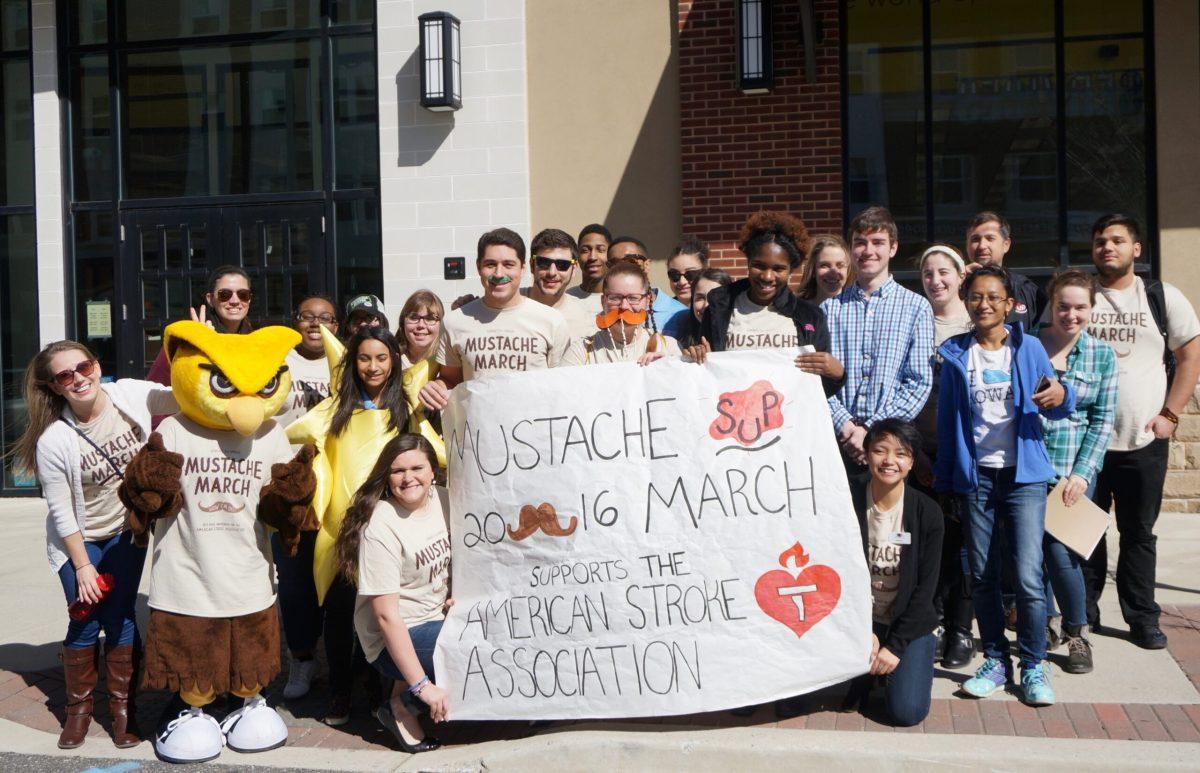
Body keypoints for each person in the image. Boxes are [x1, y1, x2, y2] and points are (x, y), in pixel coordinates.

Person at [13, 341, 176, 749]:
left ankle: (124, 710)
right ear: (54, 386)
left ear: (96, 365)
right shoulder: (54, 440)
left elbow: (180, 397)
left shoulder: (129, 395)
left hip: (126, 532)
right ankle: (79, 711)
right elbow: (61, 510)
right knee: (84, 617)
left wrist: (193, 349)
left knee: (120, 615)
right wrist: (82, 565)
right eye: (64, 375)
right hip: (78, 542)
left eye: (82, 367)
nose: (78, 378)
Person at [934, 265, 1073, 707]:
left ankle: (1033, 663)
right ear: (966, 301)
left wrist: (1061, 395)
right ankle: (995, 660)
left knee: (1029, 575)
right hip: (978, 480)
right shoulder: (953, 352)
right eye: (976, 296)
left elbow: (1056, 396)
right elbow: (947, 420)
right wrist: (948, 477)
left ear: (1011, 303)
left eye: (994, 296)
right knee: (983, 575)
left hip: (1023, 477)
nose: (985, 304)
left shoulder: (1028, 347)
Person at [1083, 214, 1200, 649]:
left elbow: (1190, 355)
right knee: (1084, 533)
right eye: (1099, 241)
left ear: (1137, 249)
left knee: (1138, 534)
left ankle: (1142, 618)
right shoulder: (1079, 295)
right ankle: (1083, 616)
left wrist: (1170, 414)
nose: (1106, 247)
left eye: (1116, 240)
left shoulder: (1160, 296)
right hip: (1085, 444)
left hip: (1142, 441)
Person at [313, 327, 411, 726]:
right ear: (352, 363)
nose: (373, 367)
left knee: (379, 611)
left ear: (394, 361)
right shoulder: (333, 409)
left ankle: (375, 686)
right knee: (338, 616)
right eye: (365, 358)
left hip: (387, 530)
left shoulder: (408, 407)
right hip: (340, 531)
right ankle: (339, 690)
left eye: (382, 358)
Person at [335, 434, 451, 753]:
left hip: (437, 617)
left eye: (417, 467)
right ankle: (403, 704)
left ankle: (403, 693)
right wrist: (422, 687)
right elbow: (386, 617)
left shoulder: (446, 500)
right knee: (468, 646)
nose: (408, 477)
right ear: (387, 477)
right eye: (398, 471)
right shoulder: (380, 527)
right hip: (392, 638)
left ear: (432, 471)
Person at [1037, 269, 1117, 675]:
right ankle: (1047, 624)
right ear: (1052, 303)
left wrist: (1083, 473)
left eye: (1080, 307)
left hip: (1074, 472)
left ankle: (1076, 632)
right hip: (1032, 469)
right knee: (1032, 555)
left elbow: (1103, 420)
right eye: (1063, 306)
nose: (1071, 314)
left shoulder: (1102, 356)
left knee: (1061, 553)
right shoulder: (1029, 346)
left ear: (1091, 309)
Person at [842, 419, 944, 727]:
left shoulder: (927, 512)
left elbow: (926, 591)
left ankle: (888, 668)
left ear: (912, 461)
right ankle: (868, 673)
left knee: (907, 712)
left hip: (908, 622)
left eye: (900, 453)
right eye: (880, 451)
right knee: (841, 699)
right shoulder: (846, 498)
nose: (889, 461)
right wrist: (862, 630)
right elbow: (837, 573)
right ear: (867, 453)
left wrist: (895, 646)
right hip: (859, 620)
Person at [822, 207, 935, 472]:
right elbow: (817, 380)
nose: (868, 250)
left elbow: (918, 382)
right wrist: (847, 427)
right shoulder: (830, 309)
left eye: (878, 243)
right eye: (860, 243)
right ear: (851, 250)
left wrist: (871, 431)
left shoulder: (916, 307)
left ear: (893, 248)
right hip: (838, 442)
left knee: (886, 515)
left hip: (890, 446)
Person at [688, 211, 844, 397]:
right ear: (748, 262)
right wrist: (696, 359)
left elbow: (817, 392)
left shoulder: (810, 317)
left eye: (778, 269)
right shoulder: (718, 309)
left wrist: (837, 375)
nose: (767, 276)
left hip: (789, 422)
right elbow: (704, 378)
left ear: (791, 270)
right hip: (732, 418)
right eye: (759, 266)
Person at [419, 228, 571, 412]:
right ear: (478, 267)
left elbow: (561, 387)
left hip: (533, 433)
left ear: (522, 268)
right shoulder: (454, 322)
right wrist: (437, 388)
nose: (499, 274)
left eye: (508, 264)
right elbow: (452, 380)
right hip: (478, 434)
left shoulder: (552, 321)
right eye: (490, 264)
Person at [272, 295, 339, 701]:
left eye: (325, 318)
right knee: (294, 581)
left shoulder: (346, 361)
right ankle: (301, 657)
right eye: (307, 316)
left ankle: (335, 661)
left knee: (333, 581)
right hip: (289, 487)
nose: (316, 324)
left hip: (335, 486)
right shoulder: (278, 362)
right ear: (295, 321)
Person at [912, 245, 975, 669]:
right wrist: (914, 452)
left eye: (944, 272)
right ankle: (931, 621)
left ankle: (961, 626)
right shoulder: (913, 321)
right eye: (928, 273)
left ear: (959, 276)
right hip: (918, 451)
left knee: (963, 545)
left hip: (966, 453)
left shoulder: (978, 323)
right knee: (927, 544)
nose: (936, 280)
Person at [454, 228, 594, 343]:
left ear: (574, 269)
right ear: (532, 266)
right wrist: (465, 311)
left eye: (562, 265)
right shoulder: (503, 303)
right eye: (544, 263)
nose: (552, 272)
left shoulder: (586, 319)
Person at [146, 265, 253, 385]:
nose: (235, 301)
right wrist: (198, 348)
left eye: (243, 294)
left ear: (249, 299)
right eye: (225, 295)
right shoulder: (187, 335)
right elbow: (155, 384)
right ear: (210, 299)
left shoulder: (252, 337)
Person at [562, 260, 682, 366]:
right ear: (603, 301)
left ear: (647, 301)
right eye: (615, 298)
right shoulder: (581, 352)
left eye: (633, 298)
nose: (624, 306)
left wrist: (666, 368)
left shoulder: (669, 347)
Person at [964, 211, 1045, 331]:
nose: (982, 245)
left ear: (1006, 244)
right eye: (975, 239)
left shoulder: (1026, 290)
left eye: (990, 238)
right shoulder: (954, 288)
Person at [396, 290, 448, 466]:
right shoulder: (390, 361)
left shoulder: (450, 366)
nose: (421, 325)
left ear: (441, 324)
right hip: (398, 458)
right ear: (403, 322)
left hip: (441, 461)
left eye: (431, 318)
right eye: (414, 317)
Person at [607, 236, 689, 338]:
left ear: (646, 265)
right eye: (614, 264)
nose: (623, 271)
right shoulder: (605, 313)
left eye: (631, 262)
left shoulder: (680, 314)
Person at [676, 268, 733, 349]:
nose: (706, 305)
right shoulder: (679, 344)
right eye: (700, 298)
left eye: (715, 298)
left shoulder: (739, 339)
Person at [798, 234, 855, 303]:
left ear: (848, 270)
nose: (833, 272)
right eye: (824, 265)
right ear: (813, 271)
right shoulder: (796, 309)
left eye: (840, 265)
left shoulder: (858, 308)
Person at [567, 223, 611, 313]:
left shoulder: (621, 300)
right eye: (585, 250)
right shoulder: (566, 299)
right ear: (577, 256)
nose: (592, 257)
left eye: (600, 250)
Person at [666, 236, 709, 305]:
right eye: (675, 275)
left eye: (690, 274)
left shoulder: (723, 310)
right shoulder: (662, 313)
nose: (682, 282)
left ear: (705, 272)